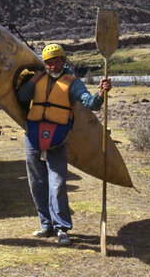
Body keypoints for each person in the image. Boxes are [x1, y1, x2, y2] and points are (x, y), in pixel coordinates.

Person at [17, 44, 111, 246]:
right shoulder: (38, 77)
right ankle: (46, 224)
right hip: (33, 134)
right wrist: (35, 78)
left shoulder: (72, 83)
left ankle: (62, 228)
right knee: (36, 182)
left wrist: (101, 94)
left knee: (58, 183)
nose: (53, 66)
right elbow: (23, 96)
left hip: (58, 137)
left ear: (64, 61)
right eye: (49, 62)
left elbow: (90, 103)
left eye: (56, 61)